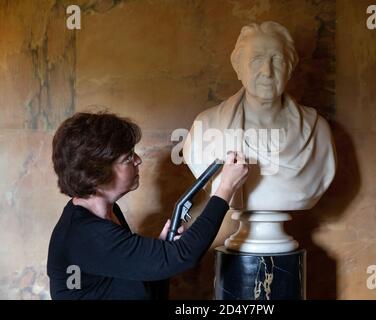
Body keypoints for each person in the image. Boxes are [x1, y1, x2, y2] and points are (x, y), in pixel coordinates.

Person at [47, 112, 248, 300]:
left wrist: (160, 247)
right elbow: (183, 255)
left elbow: (125, 271)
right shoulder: (86, 234)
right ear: (96, 172)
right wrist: (226, 188)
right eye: (127, 158)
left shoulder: (106, 213)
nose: (138, 160)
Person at [183, 21, 336, 211]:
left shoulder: (317, 131)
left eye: (277, 60)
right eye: (256, 60)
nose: (267, 71)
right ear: (238, 68)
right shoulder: (206, 126)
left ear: (289, 68)